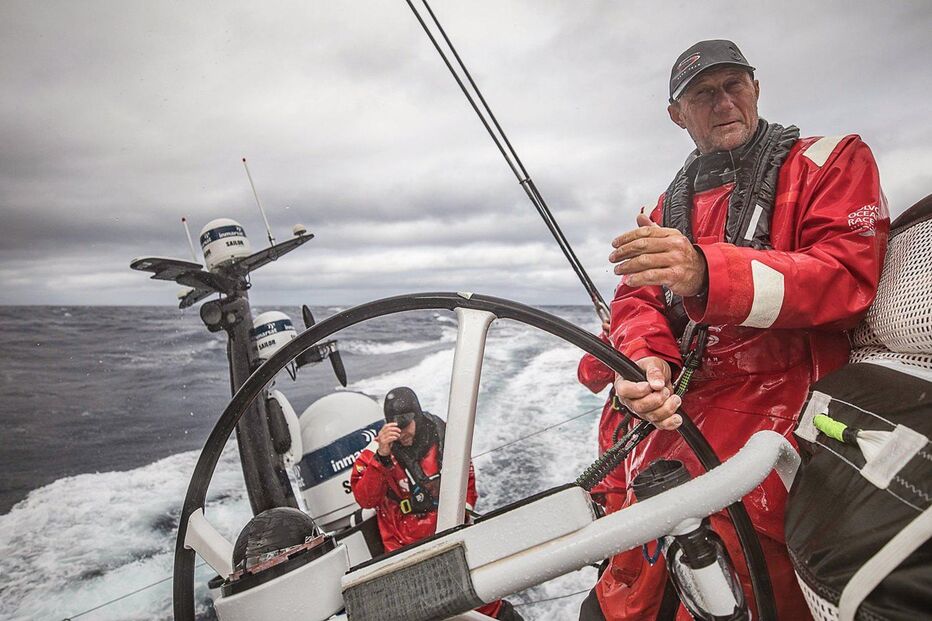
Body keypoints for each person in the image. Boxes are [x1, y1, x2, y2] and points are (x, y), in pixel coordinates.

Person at [579, 39, 888, 620]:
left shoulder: (831, 161)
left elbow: (847, 278)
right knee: (617, 593)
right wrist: (645, 362)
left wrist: (705, 271)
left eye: (734, 86)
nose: (723, 103)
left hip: (782, 425)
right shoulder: (668, 204)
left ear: (756, 87)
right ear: (677, 115)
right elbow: (635, 299)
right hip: (667, 429)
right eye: (702, 94)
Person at [350, 386, 522, 621]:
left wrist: (462, 518)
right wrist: (381, 457)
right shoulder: (375, 453)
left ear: (417, 417)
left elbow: (466, 479)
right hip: (404, 550)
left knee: (484, 607)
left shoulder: (444, 437)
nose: (403, 434)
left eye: (407, 425)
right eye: (396, 428)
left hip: (449, 534)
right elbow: (365, 499)